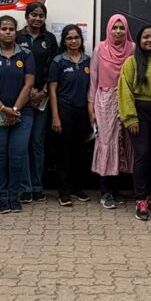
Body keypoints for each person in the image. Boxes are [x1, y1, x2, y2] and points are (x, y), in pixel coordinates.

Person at [0, 15, 35, 214]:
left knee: (18, 154)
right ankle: (2, 195)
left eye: (11, 29)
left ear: (16, 32)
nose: (8, 32)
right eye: (4, 29)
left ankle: (14, 195)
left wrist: (16, 110)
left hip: (23, 113)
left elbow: (29, 84)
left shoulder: (26, 55)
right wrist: (4, 109)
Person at [117, 24, 151, 221]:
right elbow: (124, 90)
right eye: (146, 37)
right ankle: (140, 199)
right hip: (139, 113)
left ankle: (148, 194)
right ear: (139, 40)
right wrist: (130, 118)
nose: (149, 40)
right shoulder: (131, 62)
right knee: (142, 154)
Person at [89, 14, 135, 209]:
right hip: (105, 101)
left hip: (127, 100)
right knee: (107, 142)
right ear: (108, 29)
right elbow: (93, 80)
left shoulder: (132, 49)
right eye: (114, 27)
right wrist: (91, 108)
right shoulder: (100, 48)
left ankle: (115, 190)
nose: (118, 31)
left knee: (123, 143)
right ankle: (105, 191)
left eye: (121, 27)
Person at [16, 1, 58, 203]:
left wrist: (42, 92)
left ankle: (37, 186)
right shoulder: (17, 37)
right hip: (21, 98)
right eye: (34, 14)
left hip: (42, 98)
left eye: (41, 15)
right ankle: (25, 187)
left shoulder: (49, 39)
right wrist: (27, 92)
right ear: (27, 16)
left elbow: (54, 68)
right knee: (22, 143)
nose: (37, 18)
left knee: (38, 143)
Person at [49, 25, 92, 207]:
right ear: (64, 41)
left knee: (79, 152)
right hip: (64, 111)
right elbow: (52, 90)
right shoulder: (58, 61)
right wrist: (55, 117)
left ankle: (76, 188)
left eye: (76, 37)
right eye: (69, 38)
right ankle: (63, 191)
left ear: (81, 40)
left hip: (82, 112)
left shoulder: (88, 61)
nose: (73, 41)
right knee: (64, 153)